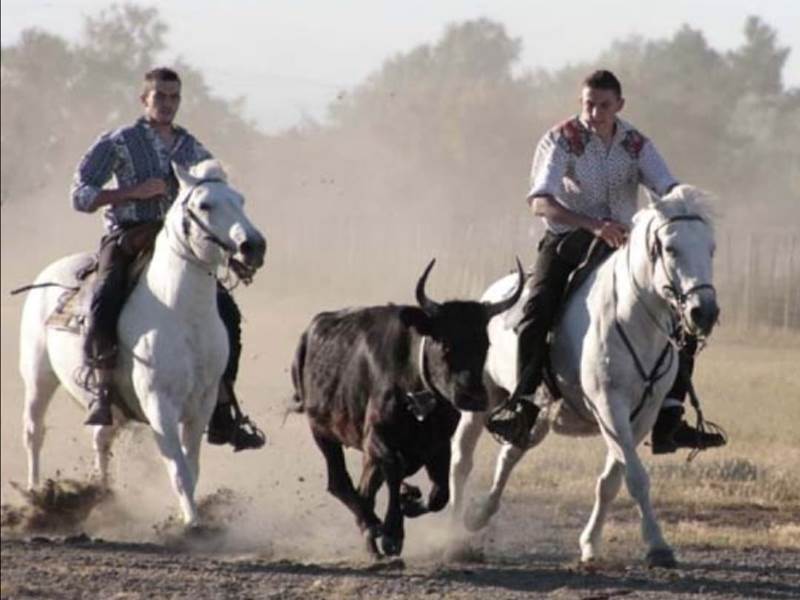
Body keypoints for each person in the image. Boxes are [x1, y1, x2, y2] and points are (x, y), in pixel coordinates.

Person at [486, 69, 726, 453]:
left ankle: (670, 417)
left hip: (623, 243)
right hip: (567, 239)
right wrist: (594, 226)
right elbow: (540, 201)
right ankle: (524, 405)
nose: (594, 113)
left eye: (603, 106)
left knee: (682, 315)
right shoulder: (561, 139)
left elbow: (666, 187)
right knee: (537, 308)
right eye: (588, 104)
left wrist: (685, 205)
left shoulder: (635, 143)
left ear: (619, 106)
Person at [71, 67, 264, 451]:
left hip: (182, 244)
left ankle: (224, 406)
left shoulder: (191, 148)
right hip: (129, 237)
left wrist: (233, 247)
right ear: (144, 99)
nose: (167, 104)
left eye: (174, 97)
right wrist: (131, 192)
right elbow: (80, 195)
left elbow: (216, 202)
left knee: (228, 314)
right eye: (160, 96)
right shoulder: (118, 141)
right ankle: (103, 390)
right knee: (103, 297)